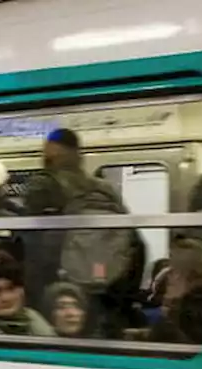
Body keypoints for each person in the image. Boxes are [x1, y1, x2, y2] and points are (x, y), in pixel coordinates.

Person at [23, 128, 144, 334]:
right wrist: (121, 297)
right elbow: (136, 245)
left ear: (50, 153)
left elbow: (31, 246)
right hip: (108, 295)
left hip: (59, 300)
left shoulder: (42, 186)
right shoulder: (105, 190)